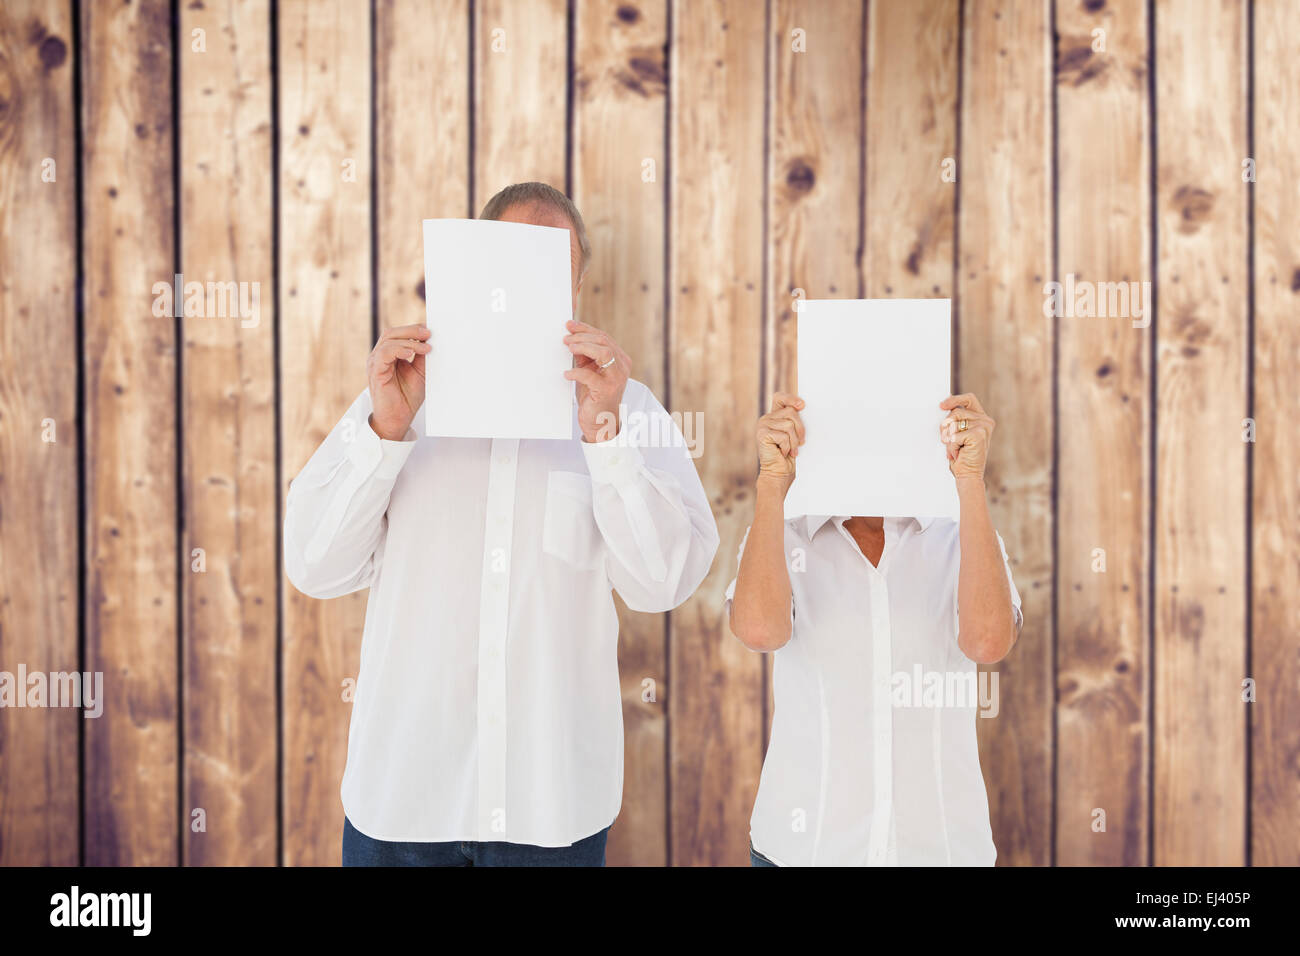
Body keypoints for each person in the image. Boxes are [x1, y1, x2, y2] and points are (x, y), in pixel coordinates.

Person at [284, 182, 718, 866]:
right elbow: (315, 566)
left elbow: (661, 583)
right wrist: (385, 432)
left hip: (551, 811)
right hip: (402, 804)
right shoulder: (399, 401)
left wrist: (607, 439)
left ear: (575, 290)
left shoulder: (627, 409)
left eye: (551, 269)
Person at [726, 391, 1021, 866]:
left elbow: (987, 642)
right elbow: (760, 630)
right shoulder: (786, 535)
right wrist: (771, 484)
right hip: (805, 851)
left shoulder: (961, 535)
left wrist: (969, 481)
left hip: (939, 852)